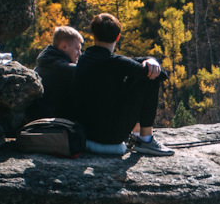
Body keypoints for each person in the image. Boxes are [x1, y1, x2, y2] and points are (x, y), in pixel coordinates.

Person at [73, 13, 173, 156]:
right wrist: (152, 61)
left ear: (94, 35)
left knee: (139, 75)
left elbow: (126, 62)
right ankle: (145, 138)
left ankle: (140, 136)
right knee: (149, 78)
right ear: (118, 37)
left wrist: (147, 60)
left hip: (84, 133)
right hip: (109, 137)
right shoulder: (117, 63)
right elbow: (161, 75)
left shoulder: (84, 59)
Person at [32, 25, 83, 119]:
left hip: (37, 122)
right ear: (64, 46)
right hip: (57, 126)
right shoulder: (67, 70)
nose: (80, 53)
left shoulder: (42, 65)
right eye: (77, 48)